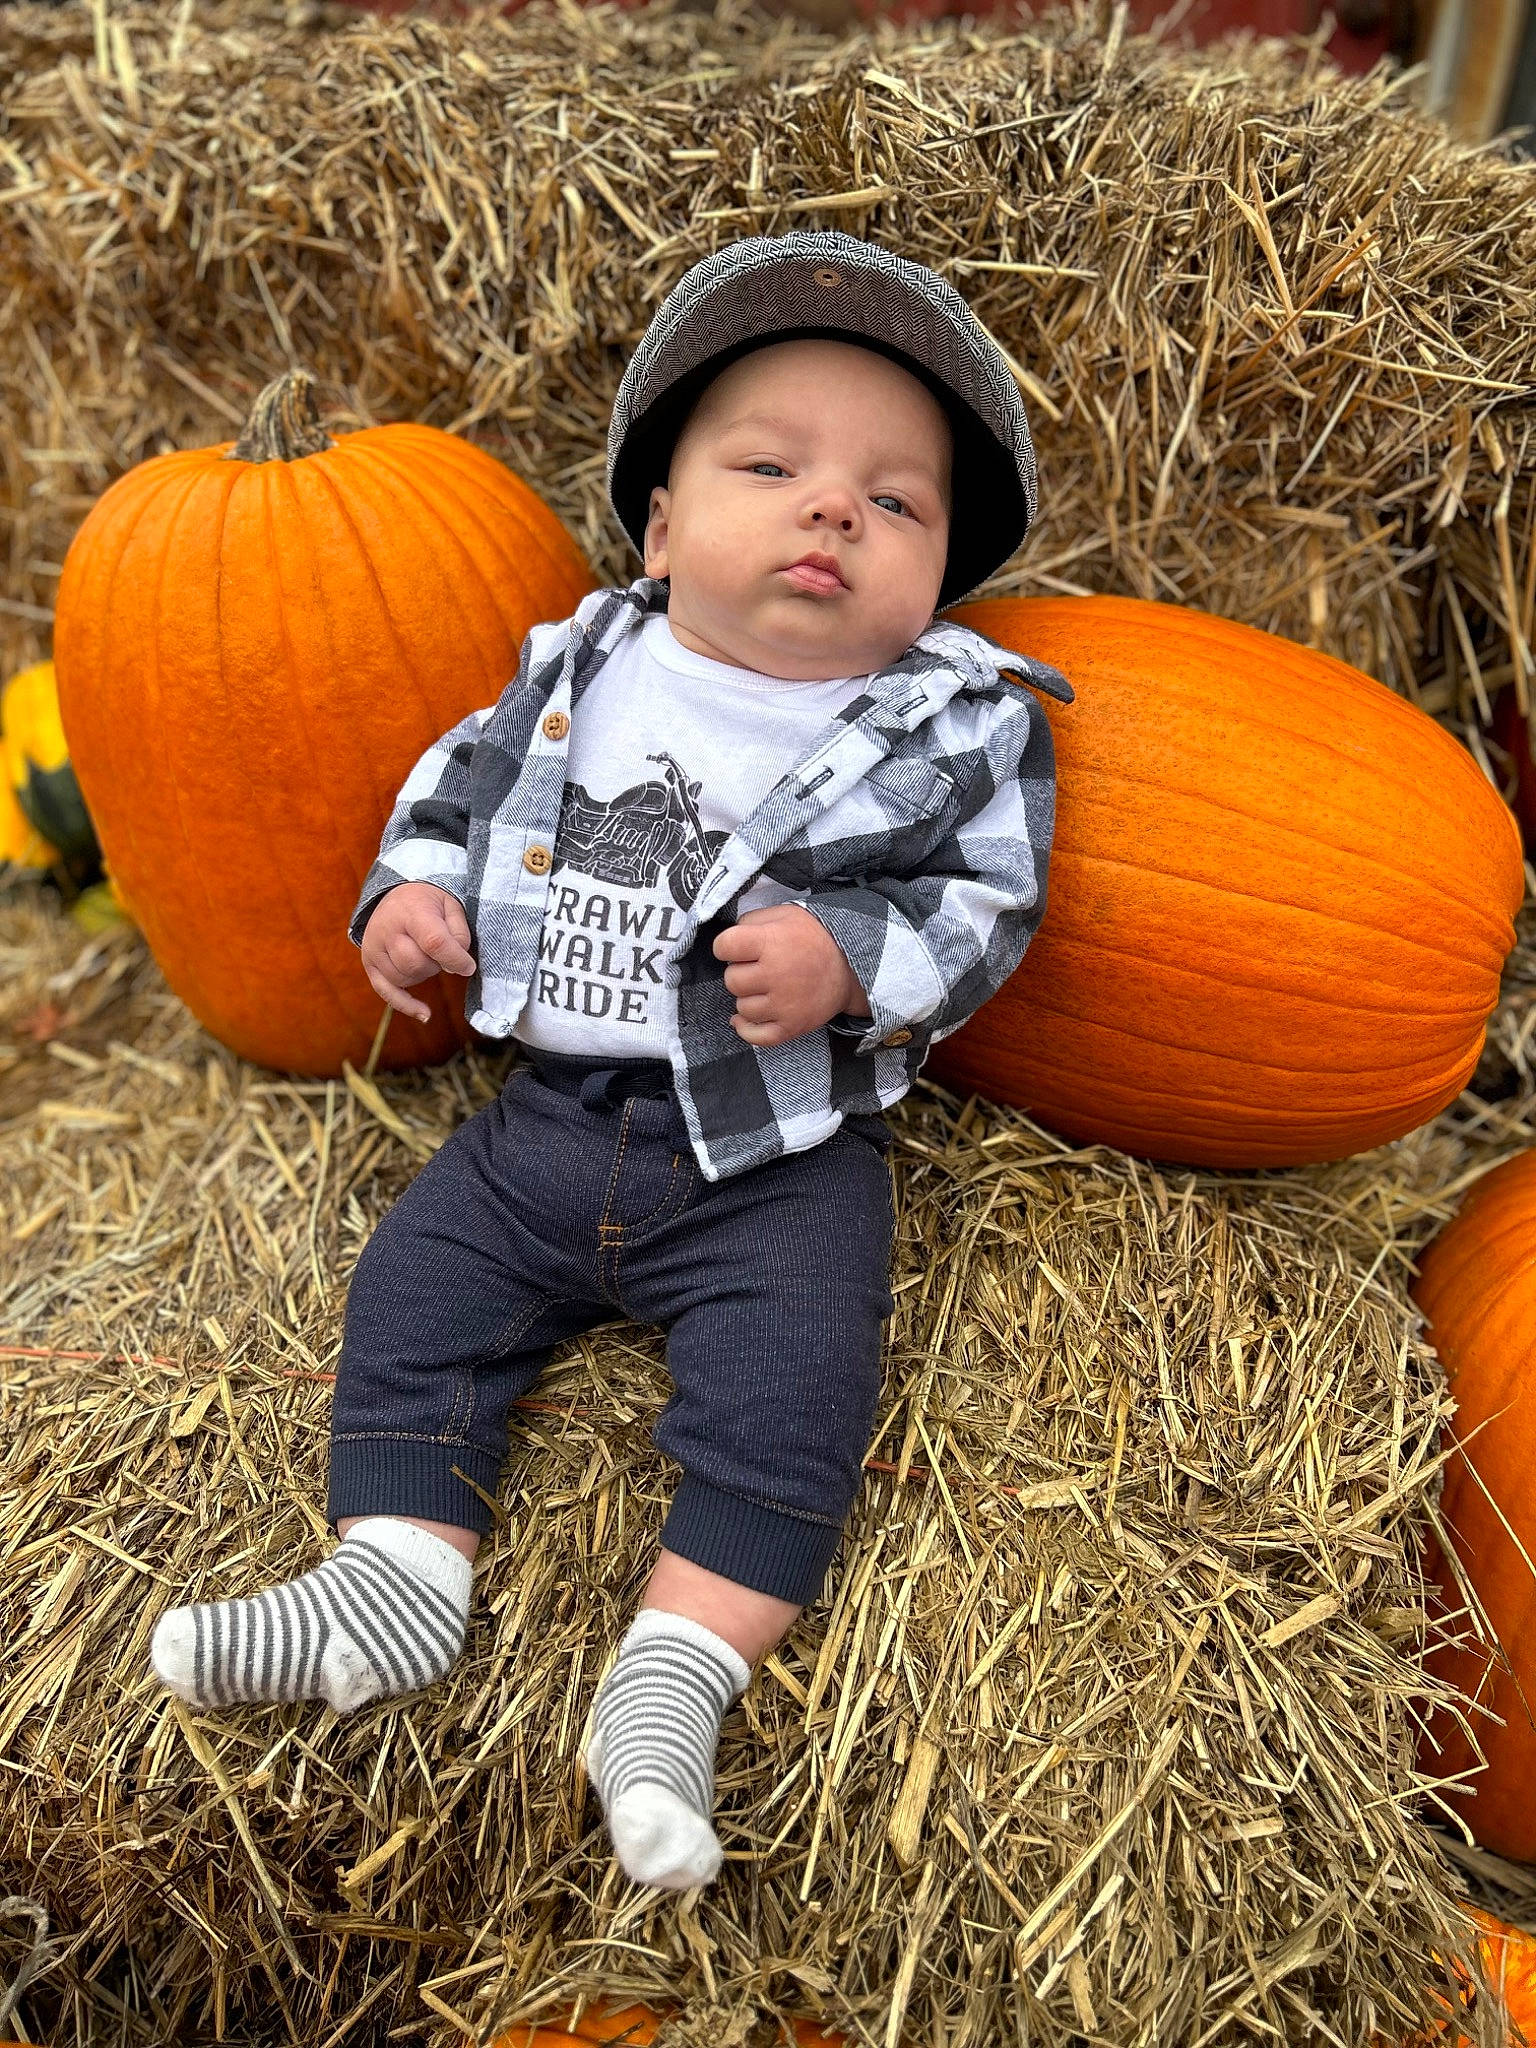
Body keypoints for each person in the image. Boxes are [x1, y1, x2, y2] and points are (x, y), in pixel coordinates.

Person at [149, 231, 1074, 1893]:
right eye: (771, 467)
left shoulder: (957, 716)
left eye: (897, 502)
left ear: (940, 579)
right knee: (418, 1288)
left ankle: (677, 1671)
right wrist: (411, 899)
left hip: (774, 1159)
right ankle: (396, 1578)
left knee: (797, 1387)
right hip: (547, 1122)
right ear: (661, 527)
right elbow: (453, 789)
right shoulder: (579, 662)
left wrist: (854, 960)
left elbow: (989, 904)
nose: (833, 511)